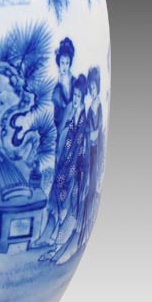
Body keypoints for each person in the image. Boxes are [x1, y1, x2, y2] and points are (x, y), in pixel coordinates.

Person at [38, 75, 88, 262]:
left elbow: (79, 145)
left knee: (68, 201)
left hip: (74, 167)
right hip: (64, 163)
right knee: (59, 197)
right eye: (74, 96)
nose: (75, 99)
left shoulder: (82, 117)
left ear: (82, 97)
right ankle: (55, 234)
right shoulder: (71, 112)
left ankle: (60, 239)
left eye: (78, 96)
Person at [79, 66, 104, 248]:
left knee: (92, 183)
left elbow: (98, 128)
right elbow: (87, 129)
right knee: (88, 184)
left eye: (94, 88)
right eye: (90, 88)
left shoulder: (98, 106)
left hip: (95, 150)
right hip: (89, 148)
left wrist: (94, 134)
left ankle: (84, 224)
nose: (92, 90)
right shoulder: (90, 109)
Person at [52, 38, 76, 130]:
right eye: (62, 63)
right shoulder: (57, 87)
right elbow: (56, 114)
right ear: (58, 63)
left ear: (70, 64)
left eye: (67, 63)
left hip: (74, 123)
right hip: (61, 125)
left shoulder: (74, 82)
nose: (64, 66)